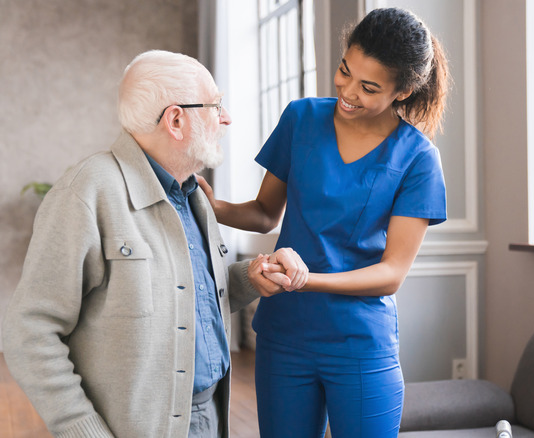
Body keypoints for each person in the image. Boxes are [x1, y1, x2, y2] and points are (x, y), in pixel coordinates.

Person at [2, 50, 307, 438]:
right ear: (176, 120)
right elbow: (29, 332)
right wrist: (84, 431)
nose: (226, 117)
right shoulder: (86, 193)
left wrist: (250, 277)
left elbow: (186, 297)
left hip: (210, 416)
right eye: (215, 105)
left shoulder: (193, 195)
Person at [199, 7, 450, 438]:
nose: (348, 92)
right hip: (283, 336)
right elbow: (265, 213)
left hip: (359, 343)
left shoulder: (419, 158)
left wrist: (304, 280)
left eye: (368, 87)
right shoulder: (301, 118)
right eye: (345, 71)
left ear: (403, 92)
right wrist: (214, 206)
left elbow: (391, 273)